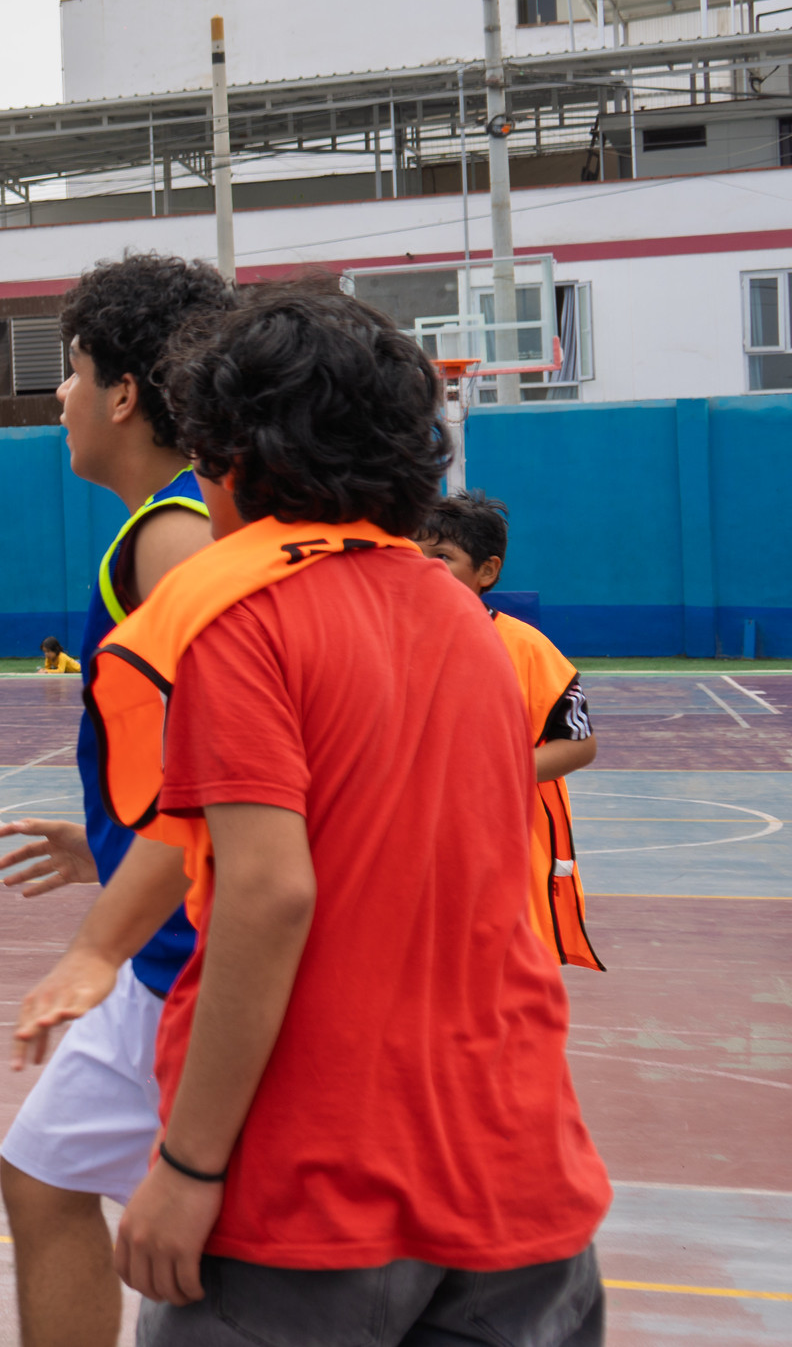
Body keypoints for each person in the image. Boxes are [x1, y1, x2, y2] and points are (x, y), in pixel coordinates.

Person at [92, 283, 608, 1344]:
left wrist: (189, 1163)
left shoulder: (237, 622)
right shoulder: (464, 621)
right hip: (514, 1161)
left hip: (316, 1182)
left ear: (227, 450)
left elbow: (271, 894)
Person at [0, 253, 232, 1347]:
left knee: (208, 1240)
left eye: (72, 370)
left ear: (124, 395)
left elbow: (239, 765)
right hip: (165, 924)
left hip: (192, 956)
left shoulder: (173, 541)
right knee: (40, 1174)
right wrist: (112, 845)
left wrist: (102, 932)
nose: (59, 395)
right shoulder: (176, 522)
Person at [417, 491, 604, 970]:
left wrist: (495, 769)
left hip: (504, 845)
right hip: (413, 843)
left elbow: (579, 745)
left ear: (487, 571)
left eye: (442, 557)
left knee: (503, 972)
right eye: (411, 554)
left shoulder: (527, 649)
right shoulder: (381, 641)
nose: (423, 568)